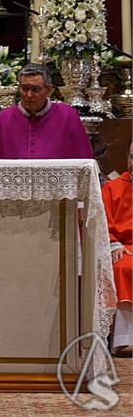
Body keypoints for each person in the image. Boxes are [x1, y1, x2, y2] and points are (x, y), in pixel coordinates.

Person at [0, 62, 94, 160]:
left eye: (35, 89)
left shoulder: (68, 116)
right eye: (24, 89)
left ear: (49, 90)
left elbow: (84, 161)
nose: (29, 95)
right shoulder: (4, 118)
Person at [101, 141, 133, 356]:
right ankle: (125, 340)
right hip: (124, 246)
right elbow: (100, 221)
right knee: (123, 267)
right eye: (132, 157)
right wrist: (113, 243)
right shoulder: (112, 188)